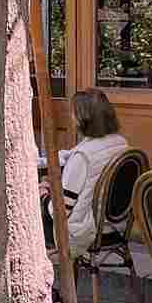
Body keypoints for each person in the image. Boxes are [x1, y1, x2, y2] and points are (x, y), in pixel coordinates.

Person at [40, 89, 128, 259]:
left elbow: (59, 210)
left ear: (82, 120)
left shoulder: (82, 158)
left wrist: (44, 193)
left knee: (32, 202)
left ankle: (40, 267)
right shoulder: (121, 144)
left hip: (81, 233)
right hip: (114, 226)